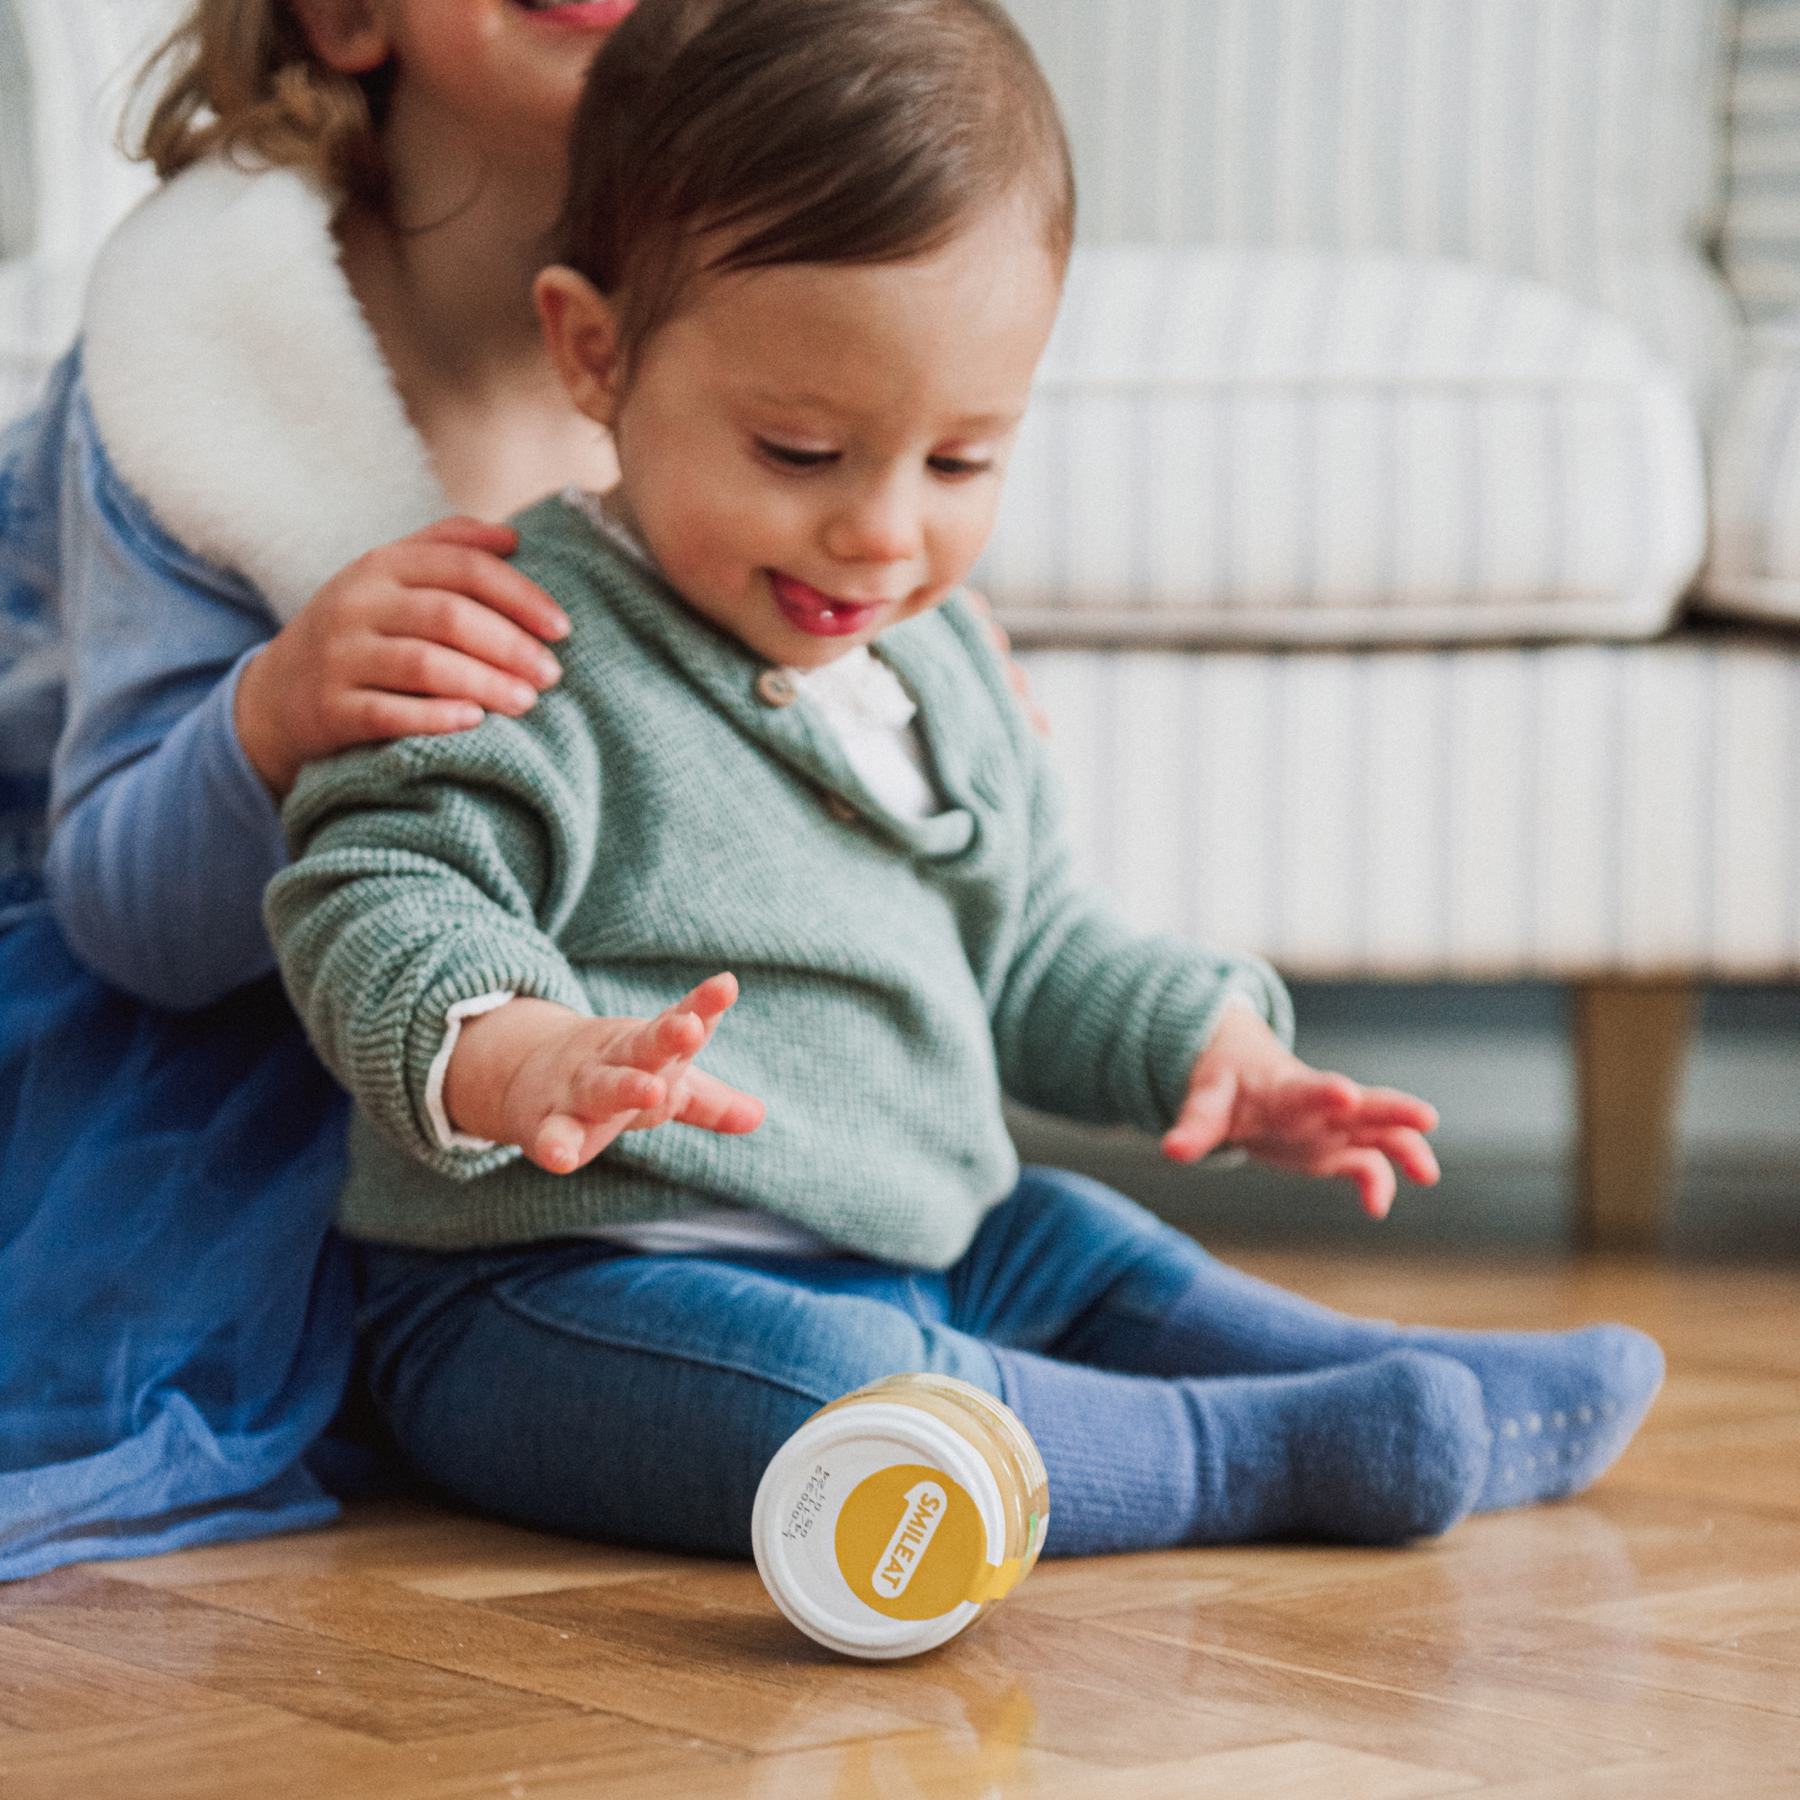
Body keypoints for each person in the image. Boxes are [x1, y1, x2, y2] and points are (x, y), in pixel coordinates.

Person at [267, 0, 1666, 1559]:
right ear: (597, 352)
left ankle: (1377, 1374)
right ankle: (1243, 1456)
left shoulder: (936, 666)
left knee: (1076, 1242)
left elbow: (1037, 946)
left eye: (959, 464)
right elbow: (376, 884)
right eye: (798, 452)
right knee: (842, 1391)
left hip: (910, 1240)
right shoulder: (519, 629)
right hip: (553, 1288)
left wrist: (1217, 1050)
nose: (882, 534)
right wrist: (517, 1053)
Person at [0, 0, 634, 1579]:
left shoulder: (760, 286)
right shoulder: (198, 353)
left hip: (484, 1004)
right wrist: (269, 718)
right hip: (154, 974)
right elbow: (124, 909)